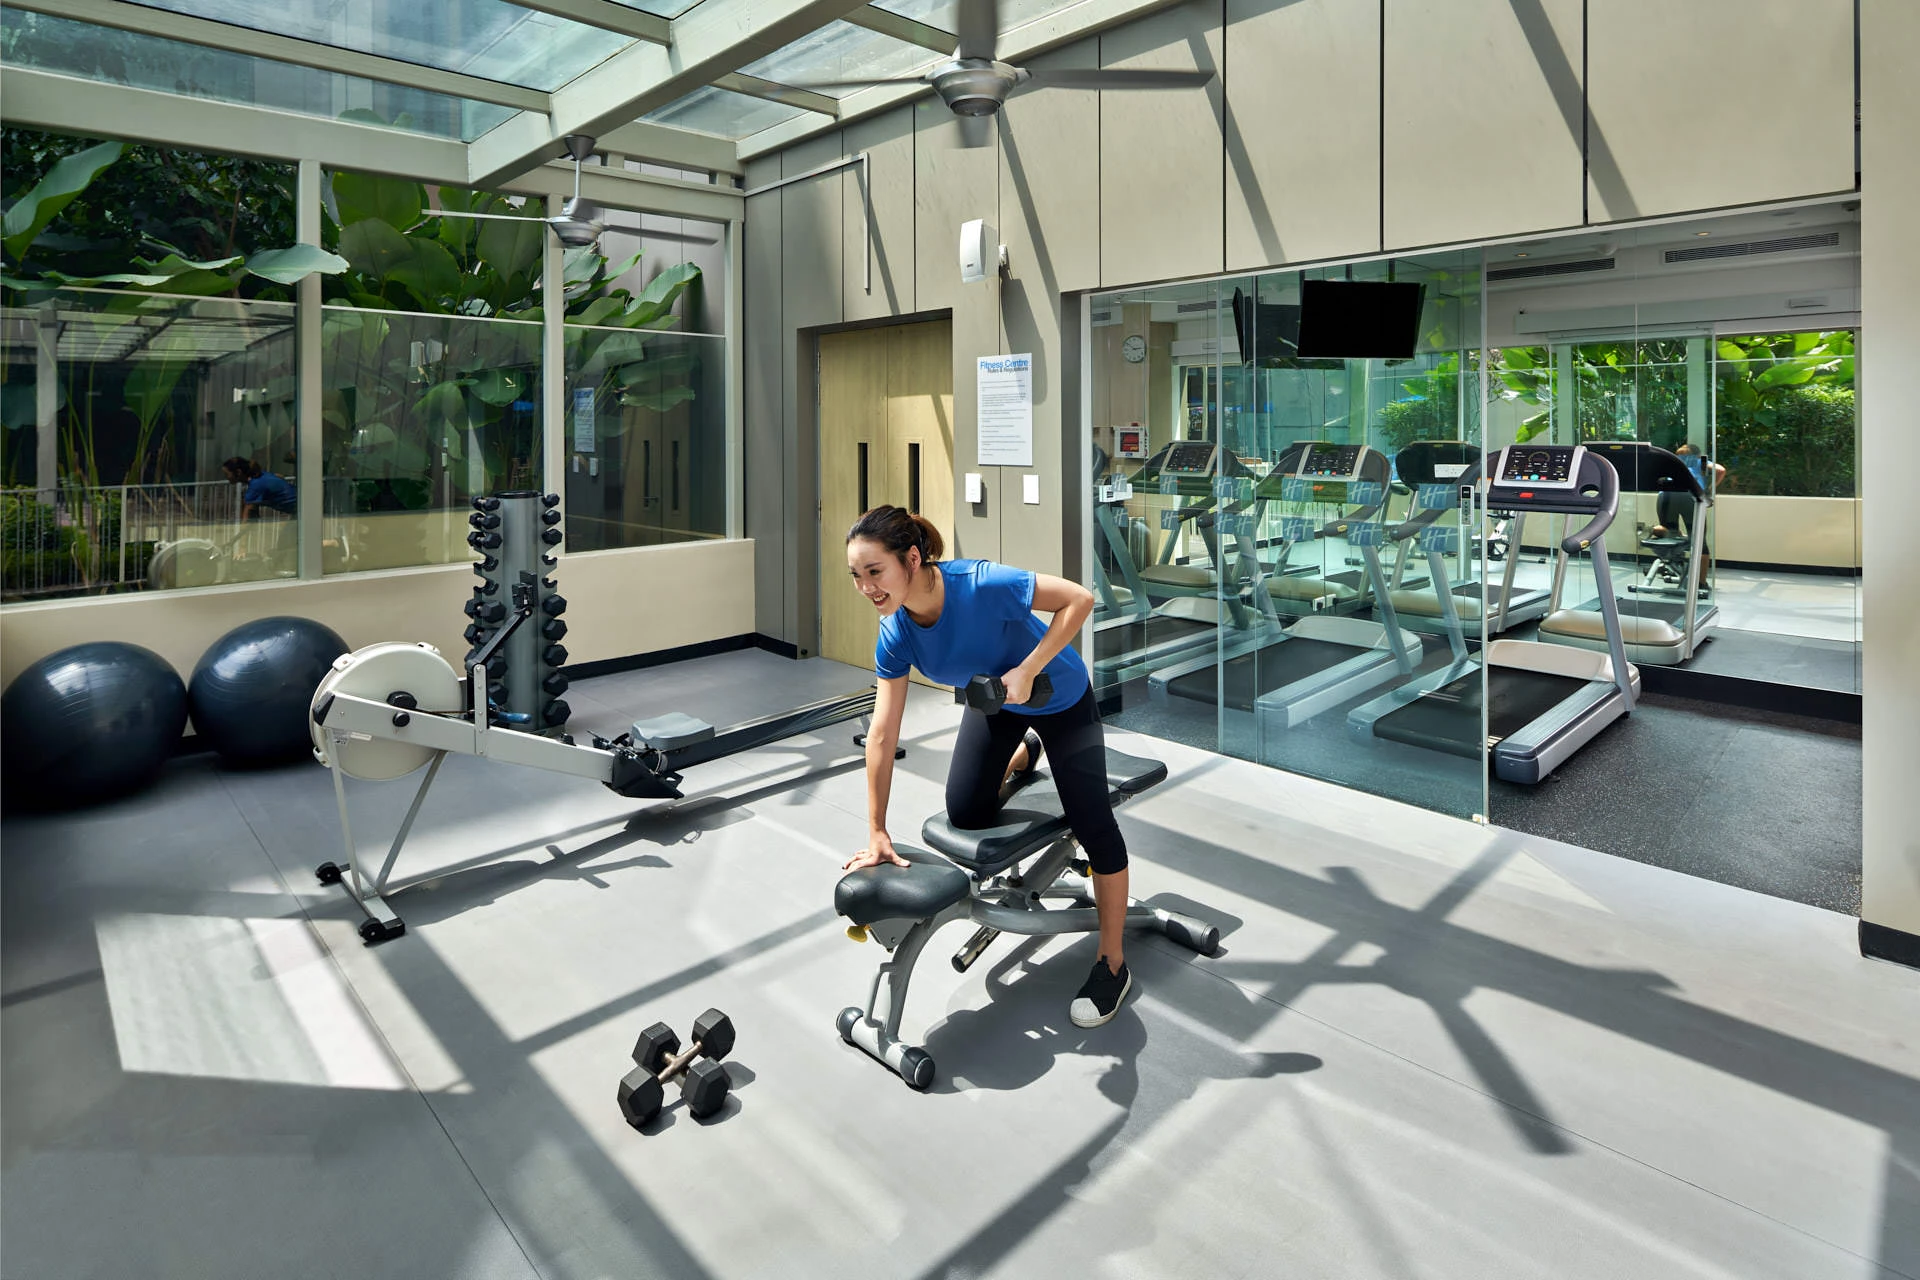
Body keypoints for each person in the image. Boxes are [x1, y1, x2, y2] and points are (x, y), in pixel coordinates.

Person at [840, 505, 1136, 1029]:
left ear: (912, 560)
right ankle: (1026, 753)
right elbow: (882, 735)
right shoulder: (896, 633)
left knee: (1093, 822)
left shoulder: (979, 583)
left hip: (1058, 696)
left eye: (875, 571)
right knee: (966, 812)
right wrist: (877, 831)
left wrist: (1029, 667)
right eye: (856, 576)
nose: (866, 587)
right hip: (997, 704)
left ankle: (1112, 963)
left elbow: (1079, 599)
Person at [221, 456, 297, 521]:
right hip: (298, 506)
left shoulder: (255, 486)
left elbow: (247, 519)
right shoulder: (261, 476)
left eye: (227, 474)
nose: (226, 477)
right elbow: (280, 477)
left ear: (238, 472)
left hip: (300, 508)